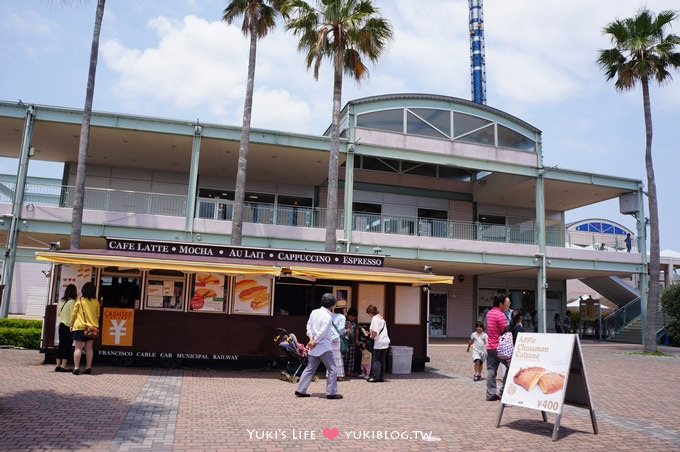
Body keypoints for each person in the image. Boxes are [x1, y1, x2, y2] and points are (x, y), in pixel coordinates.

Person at [294, 293, 343, 399]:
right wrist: (315, 341)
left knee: (310, 368)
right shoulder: (328, 316)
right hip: (324, 346)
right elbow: (323, 331)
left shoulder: (314, 312)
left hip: (314, 346)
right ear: (332, 305)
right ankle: (331, 393)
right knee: (332, 369)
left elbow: (309, 326)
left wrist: (311, 339)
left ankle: (300, 389)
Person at [71, 282, 100, 375]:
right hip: (91, 328)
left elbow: (74, 314)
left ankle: (76, 368)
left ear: (83, 290)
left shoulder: (79, 301)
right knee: (89, 348)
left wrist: (71, 324)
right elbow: (97, 315)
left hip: (79, 327)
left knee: (78, 348)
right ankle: (88, 367)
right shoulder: (96, 302)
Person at [485, 293, 509, 401]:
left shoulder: (489, 313)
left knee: (491, 370)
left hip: (490, 346)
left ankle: (490, 394)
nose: (505, 305)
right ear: (500, 304)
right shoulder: (501, 315)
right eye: (504, 303)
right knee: (510, 367)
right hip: (500, 347)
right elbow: (505, 331)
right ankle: (504, 391)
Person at [55, 284, 77, 372]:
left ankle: (58, 365)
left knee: (61, 344)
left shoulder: (61, 301)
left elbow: (58, 314)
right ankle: (63, 365)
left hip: (61, 325)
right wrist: (72, 325)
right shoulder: (72, 302)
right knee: (67, 345)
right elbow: (73, 315)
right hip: (69, 326)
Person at [366, 304, 390, 383]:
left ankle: (374, 377)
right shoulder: (381, 318)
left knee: (375, 360)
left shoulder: (375, 318)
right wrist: (370, 332)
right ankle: (381, 376)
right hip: (385, 341)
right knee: (382, 360)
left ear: (371, 312)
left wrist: (370, 336)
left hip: (379, 342)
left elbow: (375, 332)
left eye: (369, 314)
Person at [329, 299, 347, 380]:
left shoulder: (332, 315)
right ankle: (339, 376)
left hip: (330, 338)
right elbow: (341, 330)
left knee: (330, 358)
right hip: (337, 339)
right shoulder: (342, 317)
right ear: (342, 309)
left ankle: (329, 374)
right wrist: (347, 331)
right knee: (338, 357)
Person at [344, 307, 359, 377]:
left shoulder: (355, 321)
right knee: (344, 356)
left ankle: (349, 371)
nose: (352, 318)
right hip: (344, 341)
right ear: (348, 315)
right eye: (352, 317)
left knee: (351, 357)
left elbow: (356, 330)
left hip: (352, 341)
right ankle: (342, 370)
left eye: (354, 317)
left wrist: (356, 339)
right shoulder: (344, 319)